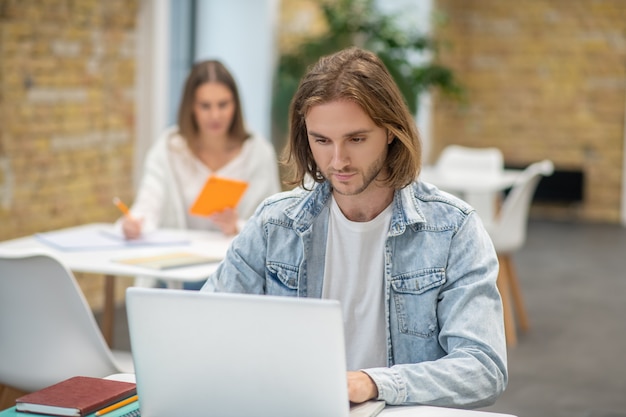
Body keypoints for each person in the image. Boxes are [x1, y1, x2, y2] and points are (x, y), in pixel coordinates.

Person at [202, 47, 507, 408]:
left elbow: (483, 368)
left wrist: (373, 383)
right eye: (322, 141)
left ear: (391, 132)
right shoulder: (274, 224)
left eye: (356, 139)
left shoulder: (453, 229)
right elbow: (206, 328)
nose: (338, 161)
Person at [120, 59, 281, 239]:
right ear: (191, 108)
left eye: (223, 104)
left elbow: (273, 221)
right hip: (179, 261)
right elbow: (148, 204)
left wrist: (237, 226)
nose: (215, 115)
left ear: (235, 105)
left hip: (238, 263)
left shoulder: (258, 153)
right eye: (205, 106)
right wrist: (134, 224)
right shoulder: (169, 149)